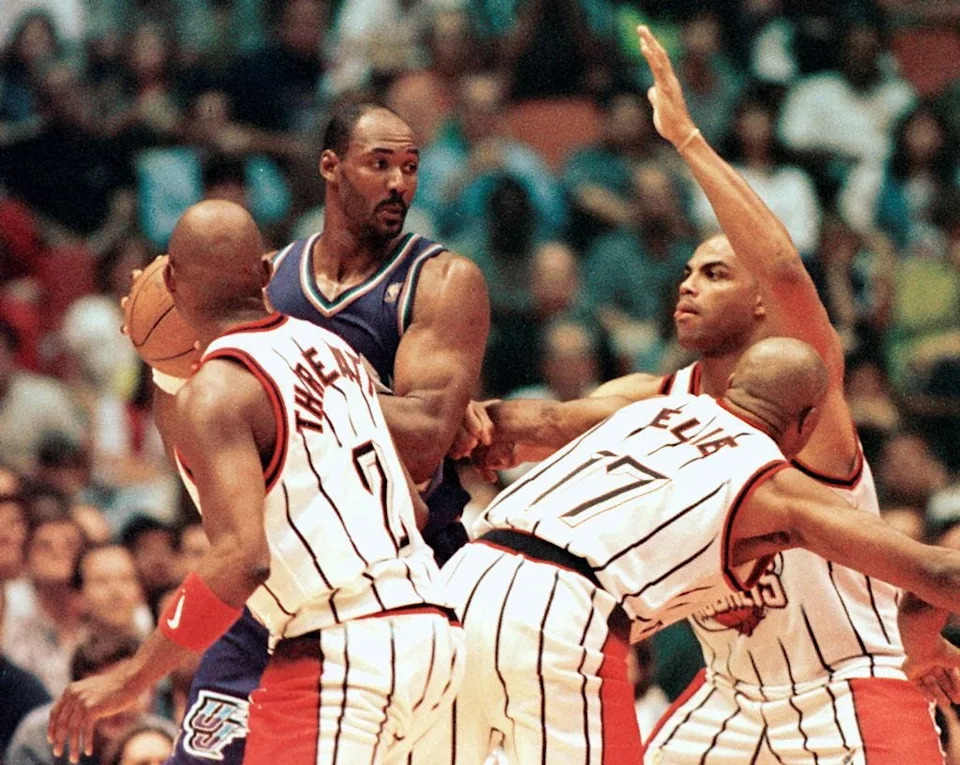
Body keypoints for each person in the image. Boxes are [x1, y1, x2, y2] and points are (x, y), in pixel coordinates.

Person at [458, 24, 952, 764]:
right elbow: (549, 422)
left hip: (845, 682)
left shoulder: (806, 400)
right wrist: (473, 416)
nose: (689, 284)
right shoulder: (656, 400)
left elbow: (785, 268)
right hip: (728, 694)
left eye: (717, 273)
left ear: (761, 307)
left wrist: (686, 138)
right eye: (687, 272)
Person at [412, 336, 960, 764]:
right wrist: (924, 635)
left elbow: (526, 423)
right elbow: (936, 571)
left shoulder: (638, 413)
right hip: (563, 607)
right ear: (807, 422)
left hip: (464, 579)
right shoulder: (769, 479)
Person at [50, 200, 464, 765]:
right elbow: (413, 511)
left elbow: (243, 559)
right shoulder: (333, 349)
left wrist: (129, 677)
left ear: (171, 280)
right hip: (433, 636)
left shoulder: (215, 393)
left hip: (346, 652)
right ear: (267, 274)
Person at [144, 101, 489, 765]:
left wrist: (290, 374)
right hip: (279, 576)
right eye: (380, 164)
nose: (399, 183)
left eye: (411, 168)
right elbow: (199, 431)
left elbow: (423, 440)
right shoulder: (267, 277)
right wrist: (170, 369)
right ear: (330, 167)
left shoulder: (441, 281)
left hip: (402, 579)